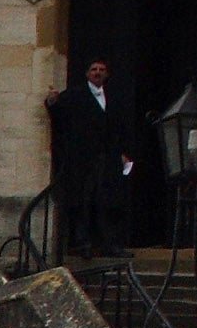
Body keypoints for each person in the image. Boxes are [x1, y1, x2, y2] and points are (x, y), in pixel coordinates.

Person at [46, 57, 140, 257]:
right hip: (83, 160)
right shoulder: (75, 95)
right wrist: (52, 102)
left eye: (102, 69)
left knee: (108, 202)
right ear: (88, 74)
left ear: (107, 74)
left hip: (108, 160)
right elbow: (59, 114)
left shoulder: (114, 97)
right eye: (94, 69)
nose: (98, 72)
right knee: (83, 201)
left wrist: (122, 153)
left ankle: (109, 244)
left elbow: (120, 128)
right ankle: (82, 244)